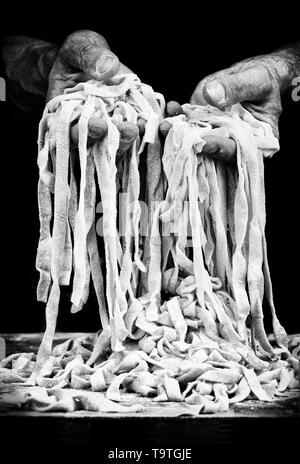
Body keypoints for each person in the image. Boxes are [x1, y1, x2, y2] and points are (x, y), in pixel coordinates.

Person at [2, 30, 300, 162]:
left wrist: (287, 71)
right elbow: (4, 57)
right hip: (72, 149)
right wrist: (45, 69)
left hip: (239, 140)